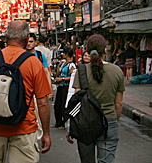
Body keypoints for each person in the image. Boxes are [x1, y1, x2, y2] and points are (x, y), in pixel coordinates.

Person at [0, 21, 52, 162]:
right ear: (27, 39)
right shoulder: (34, 63)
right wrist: (45, 133)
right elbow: (43, 103)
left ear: (6, 38)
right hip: (24, 127)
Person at [67, 34, 124, 163]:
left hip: (86, 124)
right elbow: (119, 103)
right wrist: (114, 122)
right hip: (108, 122)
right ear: (105, 50)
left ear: (87, 51)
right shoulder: (117, 71)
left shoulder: (81, 71)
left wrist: (71, 125)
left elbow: (77, 101)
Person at [53, 46, 76, 129]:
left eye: (63, 53)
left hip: (66, 86)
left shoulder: (71, 65)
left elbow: (73, 76)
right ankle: (58, 122)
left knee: (63, 105)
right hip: (60, 85)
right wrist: (59, 66)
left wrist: (62, 79)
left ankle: (63, 123)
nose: (62, 54)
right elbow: (58, 73)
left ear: (66, 54)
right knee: (57, 105)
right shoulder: (63, 63)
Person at [27, 33, 53, 101]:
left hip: (39, 89)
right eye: (27, 41)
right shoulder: (21, 55)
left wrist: (49, 90)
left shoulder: (40, 55)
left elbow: (47, 72)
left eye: (31, 41)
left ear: (36, 42)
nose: (28, 44)